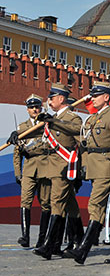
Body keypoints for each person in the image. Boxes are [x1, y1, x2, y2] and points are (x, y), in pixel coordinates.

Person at [67, 81, 110, 264]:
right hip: (95, 168)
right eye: (92, 95)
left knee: (95, 206)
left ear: (106, 97)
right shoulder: (92, 119)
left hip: (106, 168)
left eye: (96, 95)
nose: (92, 99)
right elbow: (85, 145)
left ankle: (83, 250)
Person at [33, 84, 84, 259]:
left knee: (56, 202)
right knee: (71, 205)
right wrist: (18, 134)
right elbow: (38, 133)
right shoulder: (51, 117)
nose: (49, 101)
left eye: (52, 98)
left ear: (61, 99)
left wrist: (54, 121)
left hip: (64, 166)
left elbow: (77, 132)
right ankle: (79, 241)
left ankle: (49, 246)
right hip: (51, 166)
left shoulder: (73, 118)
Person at [10, 94, 52, 248]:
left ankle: (42, 239)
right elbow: (17, 153)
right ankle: (25, 236)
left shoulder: (47, 123)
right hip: (28, 169)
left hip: (45, 167)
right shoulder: (22, 127)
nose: (35, 109)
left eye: (37, 107)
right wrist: (17, 173)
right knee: (25, 201)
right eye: (32, 107)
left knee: (46, 203)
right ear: (27, 110)